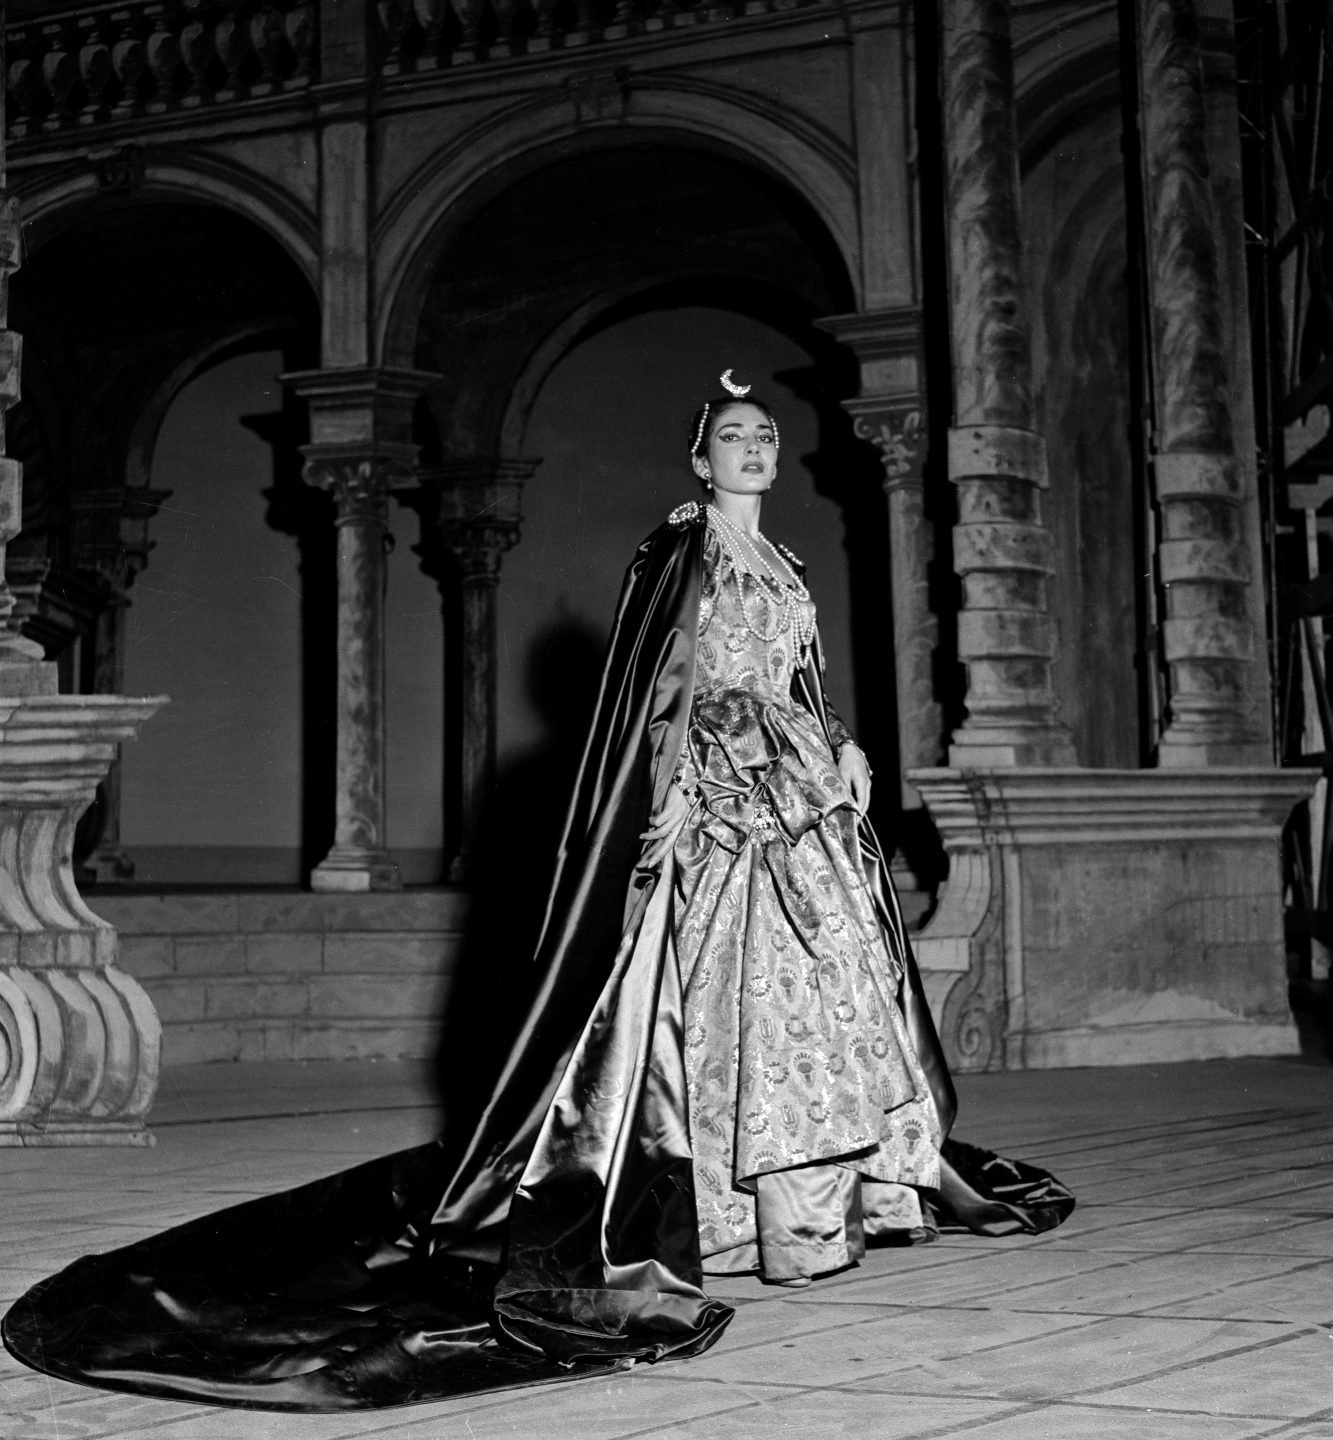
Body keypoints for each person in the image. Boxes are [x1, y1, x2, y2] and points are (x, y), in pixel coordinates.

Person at [2, 371, 1072, 1413]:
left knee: (828, 993)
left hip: (800, 799)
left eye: (763, 436)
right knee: (724, 1001)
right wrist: (675, 794)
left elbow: (798, 680)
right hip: (719, 798)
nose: (752, 448)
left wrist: (839, 747)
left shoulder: (781, 559)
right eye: (732, 436)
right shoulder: (679, 549)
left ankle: (819, 1202)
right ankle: (712, 1209)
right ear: (700, 456)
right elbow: (658, 692)